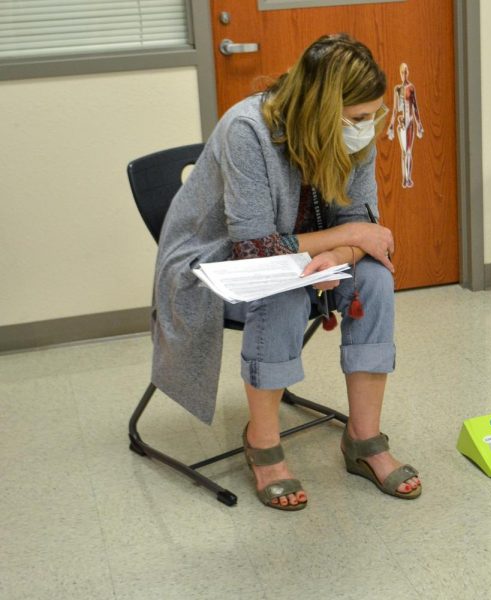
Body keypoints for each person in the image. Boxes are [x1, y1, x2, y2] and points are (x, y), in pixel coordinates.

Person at [151, 33, 421, 511]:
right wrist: (349, 241)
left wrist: (342, 254)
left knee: (375, 279)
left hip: (306, 255)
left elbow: (361, 228)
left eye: (371, 116)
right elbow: (255, 250)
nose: (368, 128)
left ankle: (363, 439)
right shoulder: (247, 130)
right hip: (216, 266)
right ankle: (263, 444)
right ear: (320, 109)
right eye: (358, 118)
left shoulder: (355, 134)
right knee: (284, 291)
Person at [386, 62, 424, 188]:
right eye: (402, 72)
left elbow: (415, 106)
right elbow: (395, 109)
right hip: (401, 123)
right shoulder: (397, 89)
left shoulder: (411, 88)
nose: (404, 74)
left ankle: (408, 178)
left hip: (410, 122)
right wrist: (391, 126)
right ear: (400, 73)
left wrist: (419, 124)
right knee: (404, 151)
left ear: (409, 72)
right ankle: (405, 178)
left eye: (406, 71)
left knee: (408, 151)